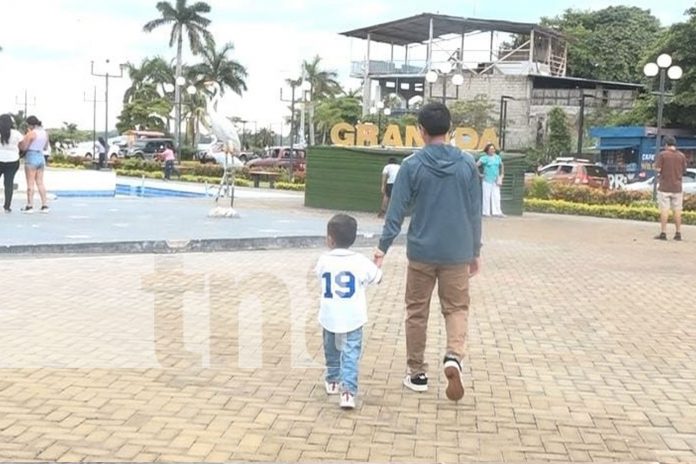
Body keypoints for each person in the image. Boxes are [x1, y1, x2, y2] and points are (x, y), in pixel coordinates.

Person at [374, 102, 482, 402]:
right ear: (450, 129)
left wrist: (382, 248)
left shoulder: (412, 165)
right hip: (458, 251)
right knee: (457, 308)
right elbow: (475, 212)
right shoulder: (466, 164)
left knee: (417, 311)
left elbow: (395, 211)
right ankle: (453, 357)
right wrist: (475, 250)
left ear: (420, 131)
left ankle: (417, 373)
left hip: (421, 252)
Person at [315, 214, 382, 409]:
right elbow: (378, 278)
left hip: (329, 315)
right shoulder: (360, 261)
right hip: (353, 316)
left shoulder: (324, 260)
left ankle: (333, 380)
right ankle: (348, 393)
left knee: (331, 349)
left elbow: (319, 275)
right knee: (351, 352)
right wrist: (376, 263)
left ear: (331, 239)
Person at [654, 136, 688, 241]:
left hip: (664, 187)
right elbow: (684, 171)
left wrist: (655, 167)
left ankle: (663, 233)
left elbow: (658, 169)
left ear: (666, 145)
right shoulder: (681, 156)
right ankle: (678, 233)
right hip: (677, 188)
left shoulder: (663, 155)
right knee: (677, 211)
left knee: (664, 210)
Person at [18, 115, 49, 213]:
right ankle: (44, 205)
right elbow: (45, 147)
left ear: (30, 124)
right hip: (40, 156)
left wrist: (22, 140)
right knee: (40, 182)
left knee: (30, 183)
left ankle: (30, 205)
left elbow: (23, 147)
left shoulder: (31, 134)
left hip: (31, 156)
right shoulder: (45, 133)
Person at [0, 114, 23, 213]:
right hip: (13, 160)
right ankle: (7, 206)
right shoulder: (16, 133)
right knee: (8, 184)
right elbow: (22, 145)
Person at [477, 143, 505, 217]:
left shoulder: (497, 157)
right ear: (487, 150)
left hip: (496, 180)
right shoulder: (484, 158)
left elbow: (501, 165)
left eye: (493, 149)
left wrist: (502, 174)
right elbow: (476, 165)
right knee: (486, 196)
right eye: (491, 149)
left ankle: (497, 212)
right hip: (487, 180)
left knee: (496, 196)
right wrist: (479, 174)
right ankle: (486, 212)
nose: (492, 150)